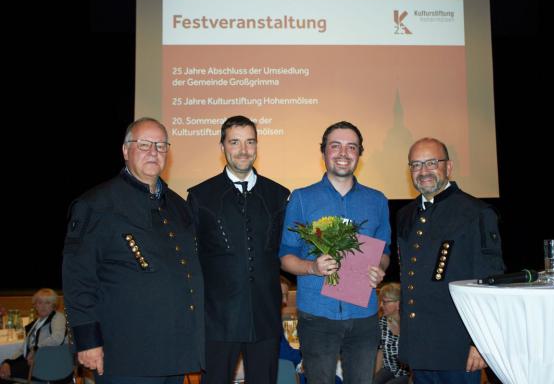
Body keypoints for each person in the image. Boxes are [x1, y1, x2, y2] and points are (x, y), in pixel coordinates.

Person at [62, 117, 205, 384]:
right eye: (144, 144)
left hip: (174, 351)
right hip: (126, 353)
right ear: (125, 151)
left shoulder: (178, 206)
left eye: (161, 146)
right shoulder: (97, 204)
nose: (154, 152)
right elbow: (77, 277)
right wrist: (87, 340)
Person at [279, 121, 391, 384]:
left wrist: (380, 268)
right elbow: (286, 257)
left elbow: (384, 251)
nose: (343, 153)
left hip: (363, 315)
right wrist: (312, 268)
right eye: (335, 146)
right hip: (317, 316)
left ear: (359, 154)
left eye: (351, 147)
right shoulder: (302, 199)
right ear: (324, 152)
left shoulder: (377, 200)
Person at [187, 115, 290, 384]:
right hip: (218, 319)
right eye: (235, 142)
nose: (244, 150)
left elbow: (284, 250)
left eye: (250, 142)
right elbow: (191, 258)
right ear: (222, 147)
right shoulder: (200, 197)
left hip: (266, 317)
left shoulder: (279, 195)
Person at [395, 137, 504, 384]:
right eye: (416, 165)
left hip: (459, 347)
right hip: (420, 345)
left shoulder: (475, 212)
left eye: (432, 163)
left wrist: (480, 342)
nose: (423, 171)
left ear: (449, 167)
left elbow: (490, 282)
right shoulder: (406, 215)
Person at [0, 289, 71, 384]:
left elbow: (57, 338)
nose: (43, 306)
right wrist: (8, 362)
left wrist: (36, 349)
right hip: (37, 364)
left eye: (47, 302)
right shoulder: (37, 323)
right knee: (4, 370)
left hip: (52, 367)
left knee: (3, 375)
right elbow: (24, 349)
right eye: (39, 302)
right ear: (35, 306)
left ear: (53, 305)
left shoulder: (58, 317)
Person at [374, 283, 410, 384]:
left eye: (385, 302)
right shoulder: (381, 324)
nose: (381, 305)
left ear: (398, 304)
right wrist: (375, 377)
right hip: (388, 369)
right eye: (381, 301)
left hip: (407, 373)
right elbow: (380, 352)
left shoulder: (410, 324)